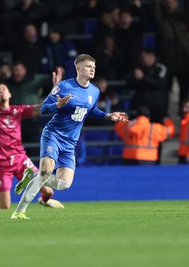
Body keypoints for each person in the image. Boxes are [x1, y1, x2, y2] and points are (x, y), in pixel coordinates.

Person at [11, 54, 128, 219]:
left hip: (70, 142)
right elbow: (43, 109)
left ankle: (32, 174)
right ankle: (19, 212)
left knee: (64, 184)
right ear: (78, 68)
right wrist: (57, 105)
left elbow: (91, 110)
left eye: (94, 67)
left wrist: (108, 116)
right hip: (53, 134)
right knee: (45, 172)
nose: (92, 69)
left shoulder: (94, 91)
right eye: (88, 66)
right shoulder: (64, 86)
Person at [0, 78, 64, 210]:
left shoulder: (17, 111)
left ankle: (44, 200)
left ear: (9, 94)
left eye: (4, 89)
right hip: (2, 164)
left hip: (21, 160)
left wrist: (54, 92)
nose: (1, 90)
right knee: (4, 207)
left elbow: (39, 108)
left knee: (49, 192)